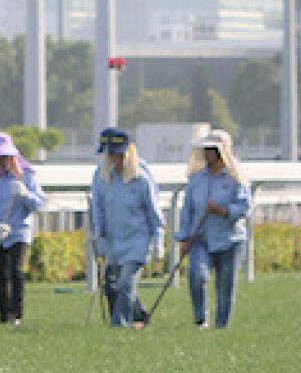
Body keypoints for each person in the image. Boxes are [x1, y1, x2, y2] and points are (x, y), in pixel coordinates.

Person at [174, 129, 252, 328]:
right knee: (197, 276)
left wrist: (221, 210)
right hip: (202, 238)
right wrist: (184, 237)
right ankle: (201, 319)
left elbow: (244, 207)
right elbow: (188, 210)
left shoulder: (236, 179)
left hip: (230, 240)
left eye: (210, 149)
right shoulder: (196, 179)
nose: (205, 153)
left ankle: (222, 326)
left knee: (225, 286)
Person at [88, 126, 163, 328]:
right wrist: (99, 233)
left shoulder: (141, 179)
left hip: (137, 240)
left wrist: (158, 242)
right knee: (112, 287)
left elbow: (153, 212)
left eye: (116, 153)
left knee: (125, 284)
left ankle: (119, 325)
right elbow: (98, 207)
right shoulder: (101, 177)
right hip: (113, 240)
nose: (113, 158)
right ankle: (140, 315)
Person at [0, 131, 46, 325]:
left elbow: (38, 204)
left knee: (16, 270)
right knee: (0, 273)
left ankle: (16, 314)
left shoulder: (27, 176)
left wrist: (24, 193)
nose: (1, 161)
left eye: (4, 157)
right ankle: (4, 316)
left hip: (19, 230)